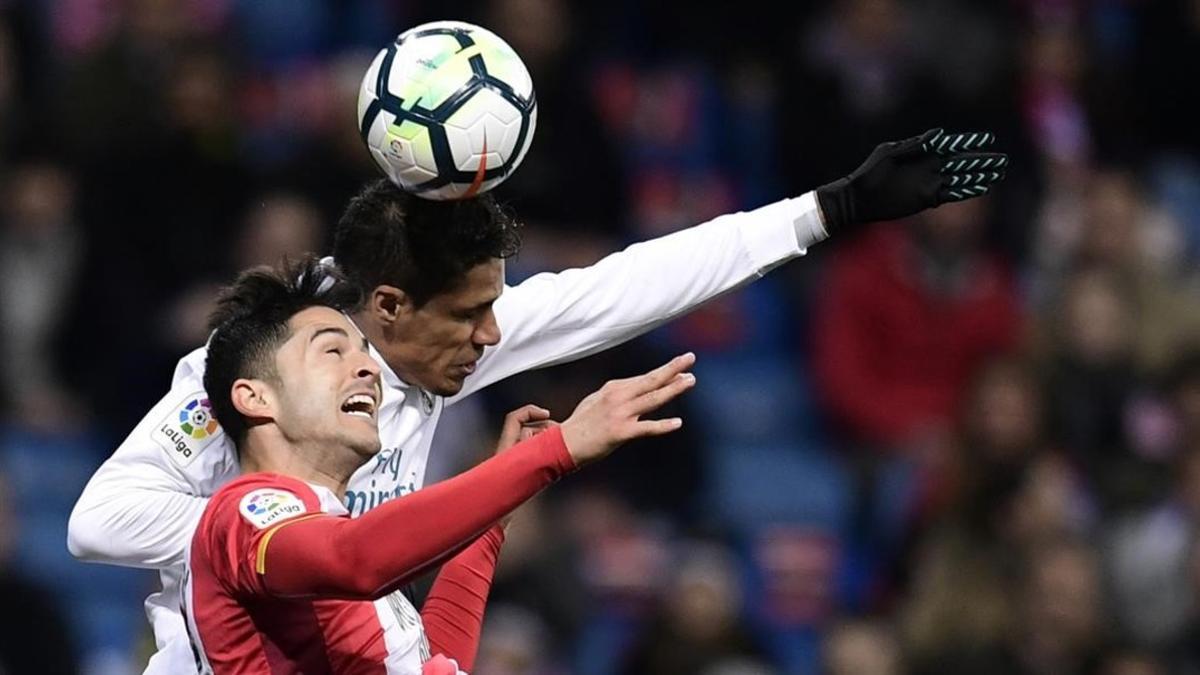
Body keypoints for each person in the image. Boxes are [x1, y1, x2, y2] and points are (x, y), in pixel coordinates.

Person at [68, 127, 1007, 672]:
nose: (493, 337)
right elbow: (99, 523)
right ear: (389, 306)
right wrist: (286, 540)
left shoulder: (433, 352)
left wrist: (826, 211)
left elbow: (632, 285)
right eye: (473, 314)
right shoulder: (257, 386)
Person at [186, 257, 695, 673]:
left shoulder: (333, 539)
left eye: (362, 352)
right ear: (255, 398)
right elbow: (353, 561)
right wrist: (554, 451)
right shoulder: (243, 514)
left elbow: (439, 662)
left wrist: (492, 526)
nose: (365, 368)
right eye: (332, 352)